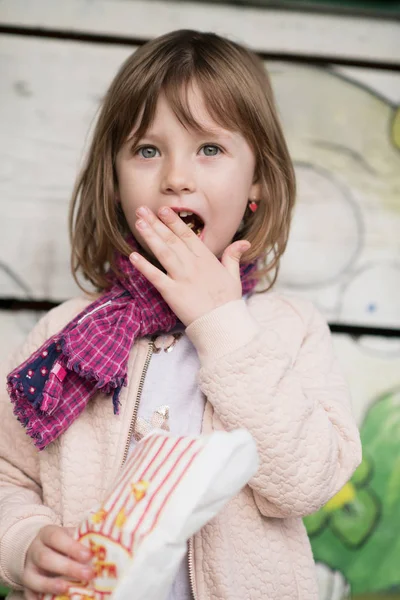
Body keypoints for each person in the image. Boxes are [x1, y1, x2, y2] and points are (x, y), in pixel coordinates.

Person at [0, 29, 361, 600]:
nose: (175, 176)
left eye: (210, 149)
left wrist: (220, 324)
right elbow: (6, 472)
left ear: (256, 184)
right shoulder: (69, 333)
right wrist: (23, 538)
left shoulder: (288, 330)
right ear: (115, 181)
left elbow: (307, 482)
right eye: (147, 150)